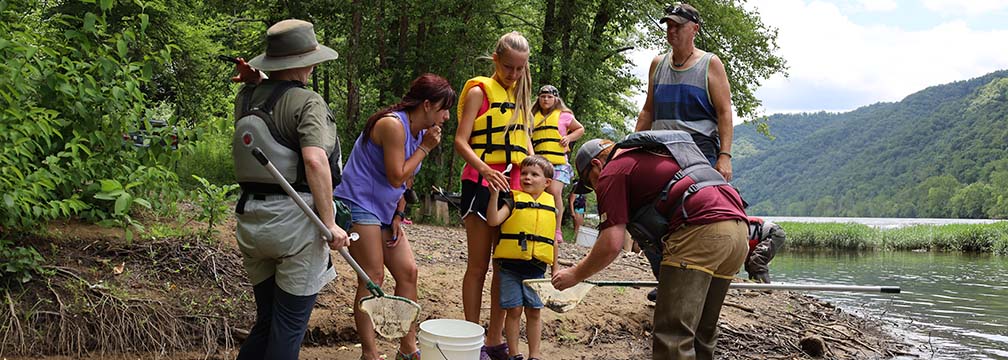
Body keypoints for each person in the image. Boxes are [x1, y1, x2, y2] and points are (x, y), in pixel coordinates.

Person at [553, 133, 748, 360]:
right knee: (702, 333)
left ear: (596, 164)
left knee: (673, 337)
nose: (595, 190)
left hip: (699, 232)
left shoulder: (613, 170)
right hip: (738, 231)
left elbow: (611, 244)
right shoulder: (656, 155)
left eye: (590, 183)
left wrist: (575, 274)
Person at [230, 19, 350, 360]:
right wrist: (330, 224)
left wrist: (257, 78)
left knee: (267, 322)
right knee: (288, 329)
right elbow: (315, 161)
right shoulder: (308, 102)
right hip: (296, 224)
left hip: (251, 220)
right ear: (308, 63)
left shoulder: (246, 96)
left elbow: (274, 102)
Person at [332, 74, 455, 360]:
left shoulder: (417, 133)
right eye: (443, 108)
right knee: (372, 276)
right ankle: (370, 353)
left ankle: (407, 348)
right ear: (427, 105)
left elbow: (406, 183)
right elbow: (396, 174)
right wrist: (426, 148)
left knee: (408, 272)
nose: (447, 116)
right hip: (359, 203)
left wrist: (399, 212)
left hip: (386, 210)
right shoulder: (393, 125)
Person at [453, 31, 534, 360]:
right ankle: (472, 336)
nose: (513, 75)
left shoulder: (520, 96)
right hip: (481, 181)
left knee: (505, 266)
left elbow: (525, 144)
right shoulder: (478, 91)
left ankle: (494, 340)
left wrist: (537, 179)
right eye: (508, 67)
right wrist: (485, 169)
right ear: (496, 60)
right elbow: (460, 141)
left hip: (513, 185)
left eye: (520, 69)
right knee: (479, 265)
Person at [635, 3, 735, 181]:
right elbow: (648, 111)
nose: (672, 30)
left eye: (678, 26)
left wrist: (725, 156)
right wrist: (630, 147)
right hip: (659, 147)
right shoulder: (657, 64)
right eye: (669, 26)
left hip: (698, 148)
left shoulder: (710, 64)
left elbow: (724, 112)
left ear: (694, 29)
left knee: (705, 198)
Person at [485, 155, 557, 360]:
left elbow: (553, 240)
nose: (527, 177)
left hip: (537, 269)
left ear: (547, 182)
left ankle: (534, 355)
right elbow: (493, 220)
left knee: (534, 311)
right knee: (513, 310)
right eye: (524, 173)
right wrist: (493, 196)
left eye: (534, 174)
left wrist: (556, 268)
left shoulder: (551, 205)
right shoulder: (512, 199)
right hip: (510, 268)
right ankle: (514, 355)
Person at [531, 85, 585, 243]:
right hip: (540, 163)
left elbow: (580, 129)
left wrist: (568, 138)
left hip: (559, 163)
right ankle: (539, 226)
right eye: (543, 97)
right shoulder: (532, 116)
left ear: (556, 99)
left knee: (554, 191)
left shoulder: (564, 115)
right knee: (539, 193)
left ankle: (557, 229)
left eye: (549, 97)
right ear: (539, 99)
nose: (546, 99)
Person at [745, 216, 786, 283]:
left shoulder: (737, 226)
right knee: (749, 263)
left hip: (774, 233)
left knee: (758, 260)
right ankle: (755, 282)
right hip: (765, 235)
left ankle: (765, 286)